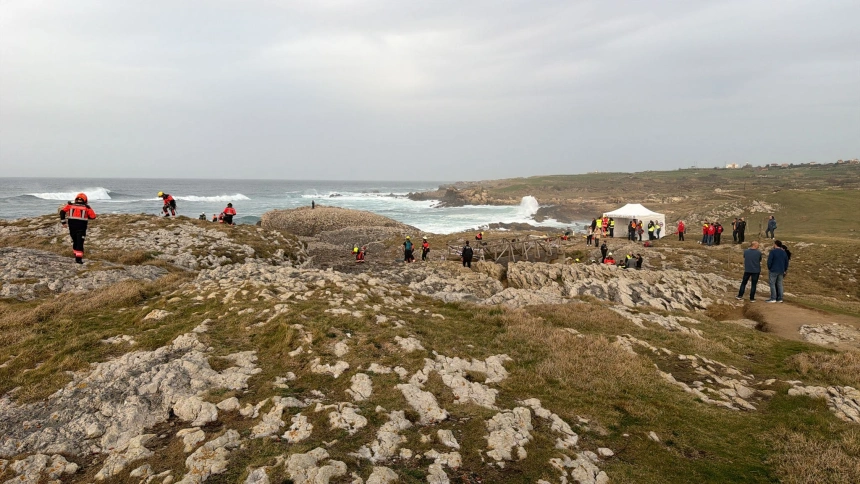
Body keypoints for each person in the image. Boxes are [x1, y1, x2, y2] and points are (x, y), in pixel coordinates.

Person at [59, 193, 97, 264]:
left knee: (75, 242)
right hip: (81, 228)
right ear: (85, 200)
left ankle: (76, 255)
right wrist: (86, 215)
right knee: (80, 243)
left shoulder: (70, 205)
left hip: (72, 228)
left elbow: (62, 212)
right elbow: (93, 217)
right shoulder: (87, 207)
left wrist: (63, 222)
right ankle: (78, 259)